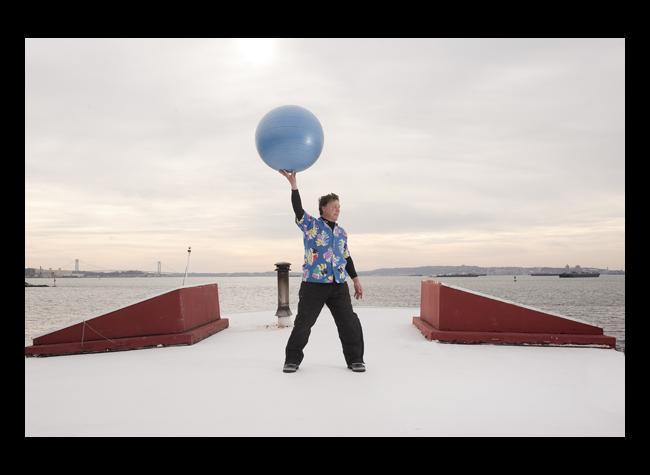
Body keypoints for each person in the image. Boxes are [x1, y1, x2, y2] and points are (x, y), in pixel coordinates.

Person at [279, 170, 366, 373]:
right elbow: (298, 209)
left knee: (349, 322)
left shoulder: (342, 232)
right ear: (323, 208)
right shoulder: (312, 226)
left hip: (338, 284)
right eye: (333, 206)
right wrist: (294, 186)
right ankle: (292, 359)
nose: (337, 209)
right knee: (303, 323)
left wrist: (355, 279)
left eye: (339, 207)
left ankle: (355, 359)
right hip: (314, 284)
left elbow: (346, 257)